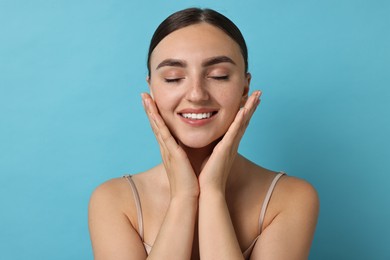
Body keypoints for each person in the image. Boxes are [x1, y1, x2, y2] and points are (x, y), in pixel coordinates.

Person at [88, 7, 319, 260]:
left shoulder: (290, 198)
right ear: (151, 89)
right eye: (174, 78)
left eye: (218, 76)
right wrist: (183, 197)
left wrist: (212, 193)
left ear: (245, 88)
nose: (197, 94)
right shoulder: (113, 201)